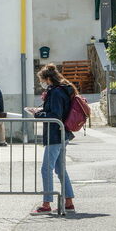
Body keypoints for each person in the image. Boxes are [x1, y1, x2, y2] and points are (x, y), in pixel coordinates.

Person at [30, 64, 76, 214]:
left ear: (48, 79)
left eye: (42, 80)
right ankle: (68, 202)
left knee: (46, 169)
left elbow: (55, 115)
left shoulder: (56, 92)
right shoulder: (61, 89)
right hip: (62, 134)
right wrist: (41, 110)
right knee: (60, 169)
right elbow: (56, 111)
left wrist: (38, 114)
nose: (41, 83)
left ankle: (46, 204)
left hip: (55, 135)